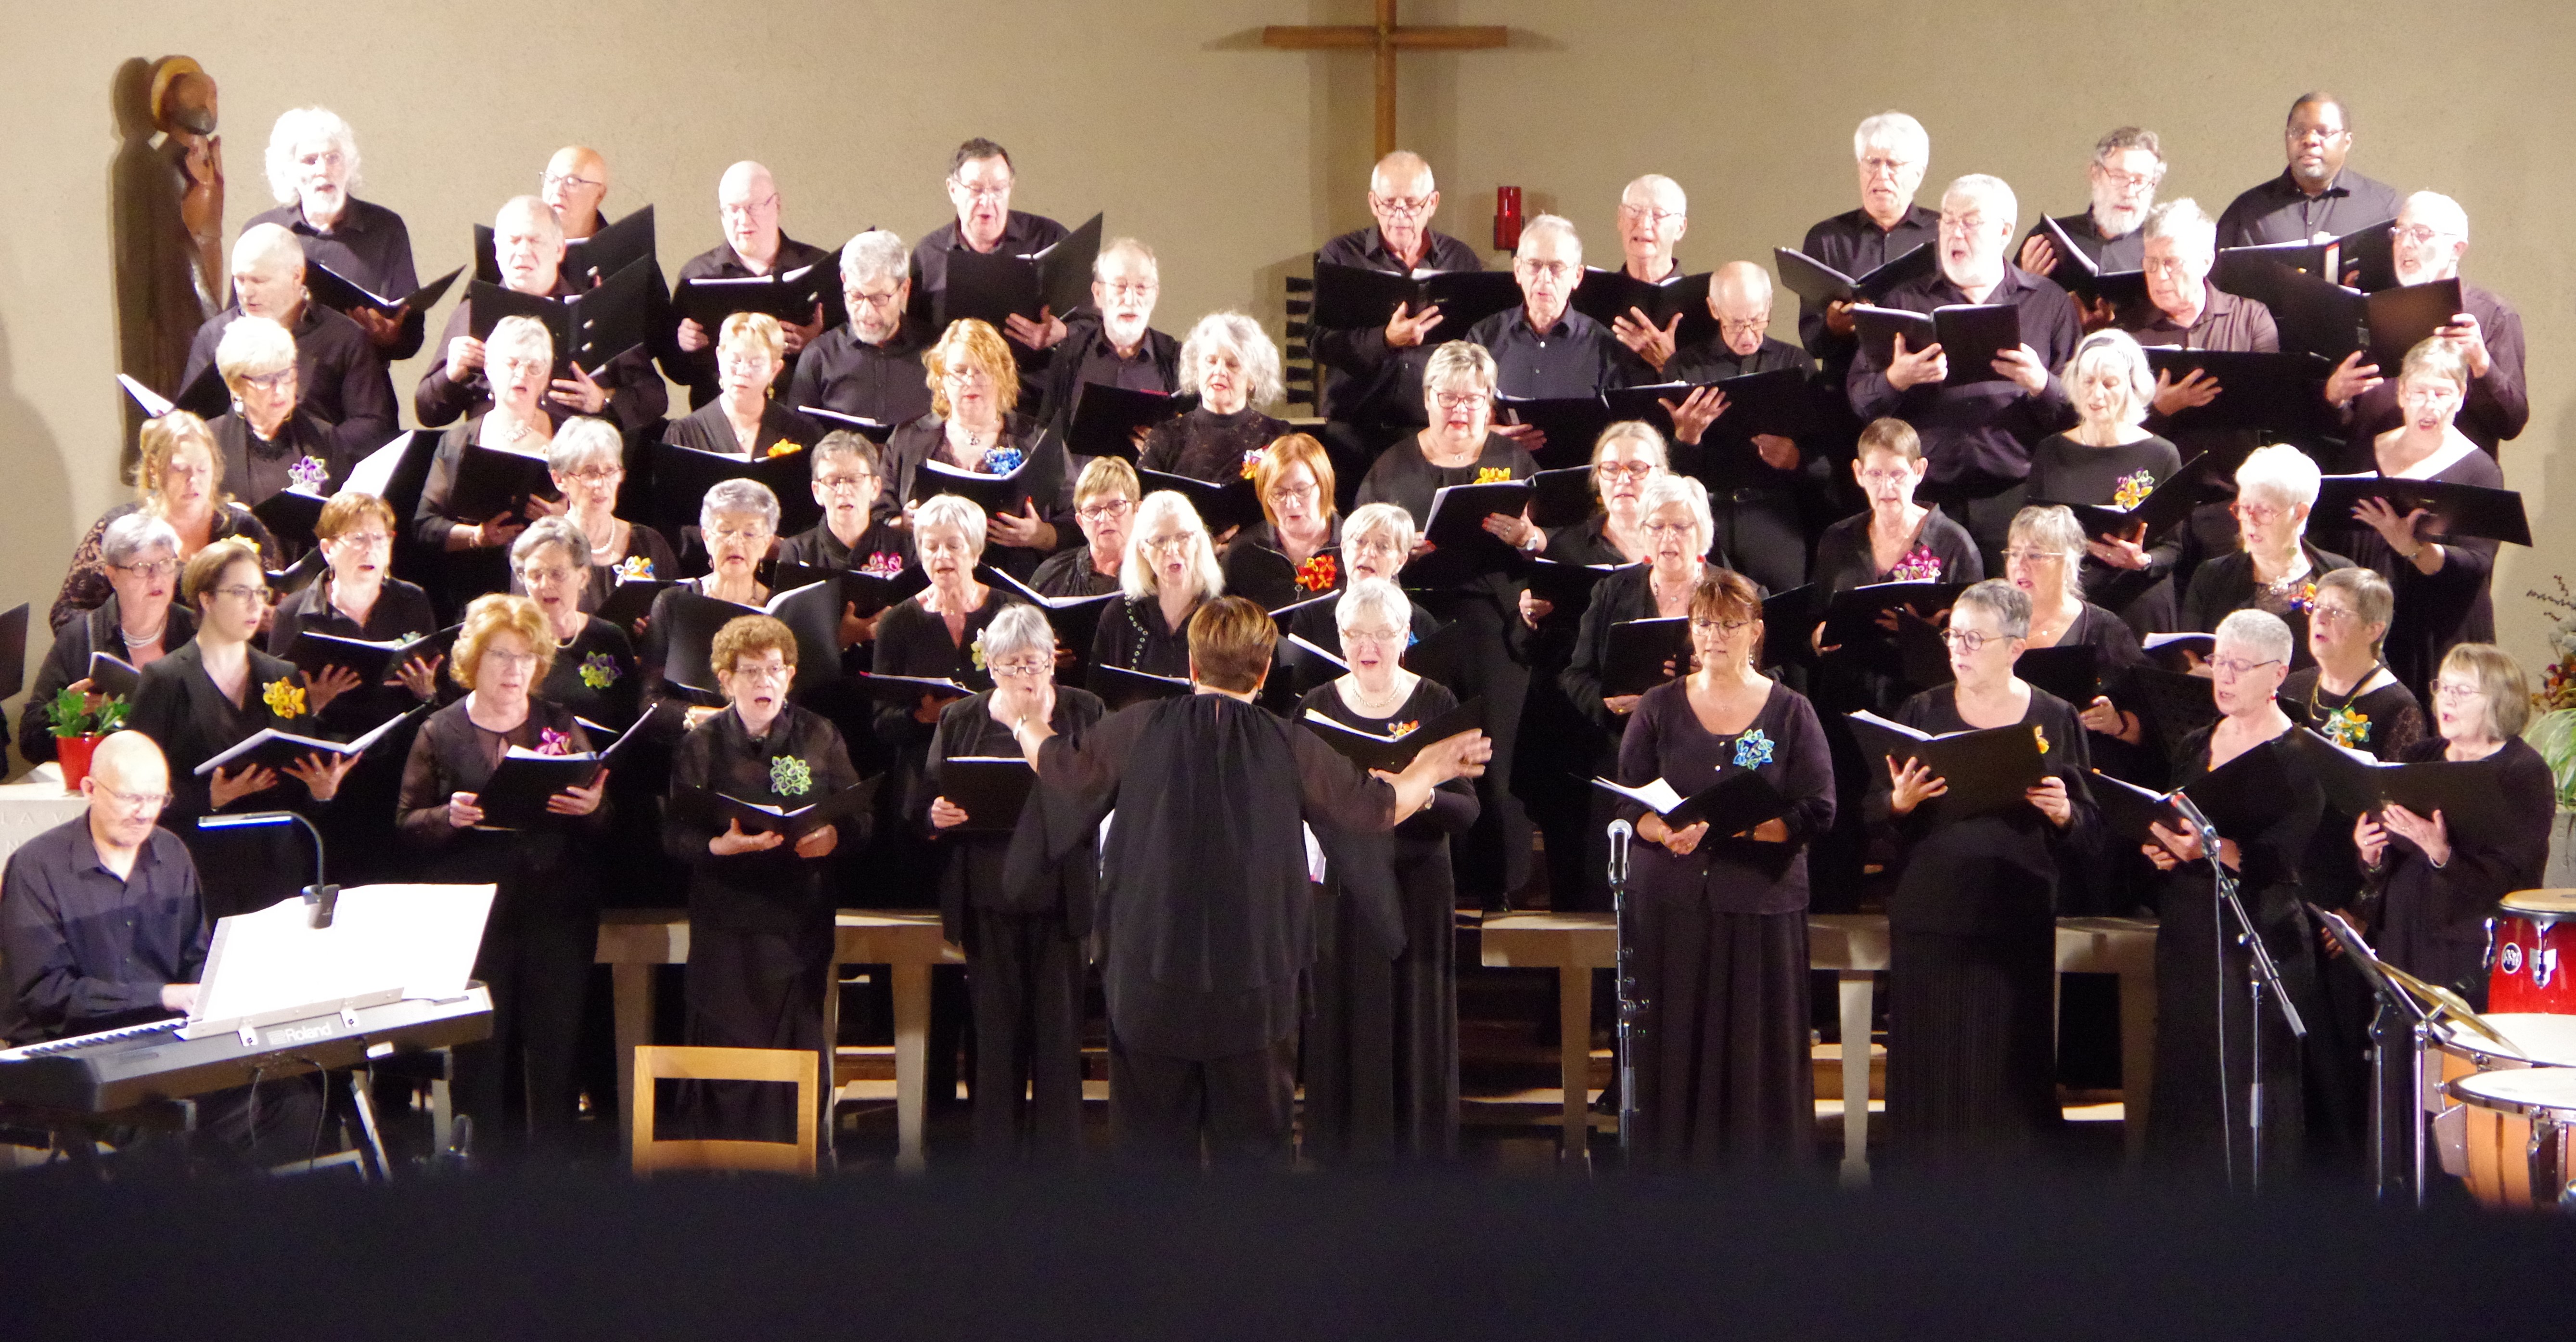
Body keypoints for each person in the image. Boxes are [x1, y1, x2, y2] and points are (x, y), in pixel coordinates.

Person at [1003, 595, 1491, 1166]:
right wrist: (1430, 768)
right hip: (1256, 991)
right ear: (1263, 672)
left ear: (1191, 666)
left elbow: (1059, 767)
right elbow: (1375, 810)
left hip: (1149, 983)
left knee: (1150, 1167)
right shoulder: (1290, 744)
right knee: (1254, 1167)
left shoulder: (1135, 728)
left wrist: (1023, 721)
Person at [0, 732, 320, 1165]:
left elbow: (195, 958)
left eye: (156, 799)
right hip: (73, 1049)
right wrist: (162, 995)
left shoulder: (171, 853)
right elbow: (47, 993)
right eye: (132, 798)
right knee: (169, 1129)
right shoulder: (38, 867)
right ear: (91, 790)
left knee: (290, 1102)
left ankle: (240, 1221)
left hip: (161, 1039)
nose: (144, 813)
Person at [1867, 579, 2094, 1161]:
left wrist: (2066, 813)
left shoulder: (2055, 715)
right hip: (1932, 911)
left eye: (1974, 638)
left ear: (2015, 648)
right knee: (1931, 1063)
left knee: (2006, 1067)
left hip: (2013, 916)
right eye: (1954, 636)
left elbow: (2090, 824)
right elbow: (1874, 813)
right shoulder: (1923, 709)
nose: (1959, 649)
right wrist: (1898, 804)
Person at [1613, 568, 1833, 1164]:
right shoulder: (1658, 707)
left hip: (1758, 903)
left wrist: (1740, 828)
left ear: (1756, 632)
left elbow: (1817, 808)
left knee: (1753, 1047)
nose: (1714, 635)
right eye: (1703, 623)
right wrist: (1663, 829)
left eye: (1728, 624)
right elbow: (1625, 797)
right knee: (1676, 1042)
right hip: (1672, 903)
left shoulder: (1791, 712)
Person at [395, 594, 610, 1160]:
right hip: (475, 915)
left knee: (555, 1048)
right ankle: (482, 1176)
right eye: (500, 656)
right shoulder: (440, 731)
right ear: (473, 661)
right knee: (481, 1052)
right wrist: (449, 816)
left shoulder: (558, 724)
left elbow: (600, 809)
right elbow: (406, 822)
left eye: (525, 657)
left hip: (554, 909)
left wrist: (591, 808)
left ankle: (555, 1181)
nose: (515, 670)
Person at [1297, 579, 1479, 1163]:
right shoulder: (1316, 706)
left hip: (1415, 883)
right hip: (1345, 887)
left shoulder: (1435, 703)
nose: (1367, 645)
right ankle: (1341, 1157)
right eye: (1355, 634)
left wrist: (1418, 794)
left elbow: (1468, 808)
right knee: (1341, 1012)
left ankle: (1418, 1155)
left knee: (1413, 1014)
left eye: (1382, 634)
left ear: (1405, 638)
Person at [1357, 341, 1543, 909]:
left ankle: (1496, 887)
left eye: (1473, 398)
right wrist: (1397, 549)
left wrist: (1528, 539)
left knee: (1493, 757)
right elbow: (1360, 546)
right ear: (1428, 400)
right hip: (1415, 623)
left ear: (1490, 403)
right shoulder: (1393, 465)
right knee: (1425, 751)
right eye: (1448, 398)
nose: (1460, 409)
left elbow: (1547, 541)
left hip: (1495, 623)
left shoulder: (1514, 464)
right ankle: (1427, 882)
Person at [2137, 609, 2322, 1176]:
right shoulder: (2196, 743)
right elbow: (2172, 824)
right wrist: (2163, 850)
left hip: (2258, 934)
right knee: (2186, 1069)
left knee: (2249, 1073)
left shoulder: (2302, 754)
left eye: (2241, 665)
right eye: (2220, 661)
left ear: (2278, 674)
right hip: (2190, 929)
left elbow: (2289, 856)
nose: (2224, 676)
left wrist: (2215, 850)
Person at [665, 613, 862, 1141]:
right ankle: (724, 1166)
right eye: (750, 672)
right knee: (727, 1045)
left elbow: (859, 818)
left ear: (790, 675)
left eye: (775, 670)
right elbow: (672, 835)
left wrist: (834, 838)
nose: (765, 682)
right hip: (726, 920)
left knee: (795, 1042)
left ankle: (795, 1161)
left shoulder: (818, 734)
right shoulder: (701, 744)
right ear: (725, 680)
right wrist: (716, 845)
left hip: (797, 919)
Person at [919, 604, 1106, 1159]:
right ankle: (996, 1164)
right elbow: (929, 798)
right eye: (1011, 665)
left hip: (1060, 893)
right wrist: (938, 816)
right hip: (990, 893)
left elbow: (1104, 791)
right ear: (990, 668)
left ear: (1053, 661)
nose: (1025, 675)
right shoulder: (963, 719)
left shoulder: (1084, 710)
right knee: (995, 1039)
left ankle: (1057, 1168)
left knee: (1057, 1036)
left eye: (1035, 662)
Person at [1849, 173, 2081, 565]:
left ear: (2005, 230)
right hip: (1926, 497)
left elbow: (2080, 412)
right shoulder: (1904, 299)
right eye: (1948, 221)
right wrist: (1896, 379)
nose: (1955, 233)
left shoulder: (2048, 301)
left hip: (2014, 495)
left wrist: (2040, 382)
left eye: (1970, 222)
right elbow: (1859, 399)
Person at [128, 539, 356, 920]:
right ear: (206, 599)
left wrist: (321, 791)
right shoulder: (165, 680)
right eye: (240, 593)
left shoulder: (281, 675)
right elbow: (136, 790)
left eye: (260, 593)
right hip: (199, 867)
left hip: (276, 865)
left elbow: (297, 767)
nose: (257, 605)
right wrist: (209, 797)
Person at [1560, 476, 1731, 912]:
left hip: (1707, 759)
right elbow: (1576, 675)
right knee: (1617, 890)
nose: (1668, 538)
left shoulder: (1733, 595)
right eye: (1656, 527)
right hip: (1627, 754)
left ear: (1703, 533)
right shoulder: (1612, 591)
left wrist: (1713, 677)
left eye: (1681, 527)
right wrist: (1607, 705)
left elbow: (1771, 675)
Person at [2357, 642, 2555, 1005]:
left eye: (2461, 691)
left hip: (2468, 947)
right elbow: (2390, 852)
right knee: (2399, 1055)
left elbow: (2516, 878)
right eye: (2442, 687)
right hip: (2401, 939)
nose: (2445, 700)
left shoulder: (2522, 773)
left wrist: (2441, 854)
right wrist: (2370, 852)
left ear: (2499, 700)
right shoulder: (2419, 755)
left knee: (2453, 1059)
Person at [415, 196, 667, 438]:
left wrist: (604, 399)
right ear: (497, 252)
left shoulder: (600, 308)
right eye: (513, 241)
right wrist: (452, 373)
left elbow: (654, 397)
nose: (523, 251)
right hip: (498, 457)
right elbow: (428, 413)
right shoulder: (471, 312)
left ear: (560, 250)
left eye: (535, 241)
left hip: (578, 462)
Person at [2338, 341, 2508, 699]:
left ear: (2460, 396)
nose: (2429, 404)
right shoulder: (2363, 453)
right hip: (2371, 622)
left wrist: (2411, 549)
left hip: (2438, 631)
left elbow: (2475, 562)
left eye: (2442, 393)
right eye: (2418, 392)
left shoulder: (2480, 471)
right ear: (2401, 394)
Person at [1311, 151, 1487, 481]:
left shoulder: (1459, 259)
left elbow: (1478, 347)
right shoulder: (1341, 256)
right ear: (1373, 203)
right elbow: (1318, 343)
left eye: (1412, 203)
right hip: (1354, 433)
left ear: (1432, 203)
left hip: (1430, 431)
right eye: (1389, 203)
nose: (1400, 214)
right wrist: (1385, 340)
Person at [1660, 261, 1831, 594]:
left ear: (1768, 305)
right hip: (1708, 516)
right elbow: (1669, 471)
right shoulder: (1684, 366)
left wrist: (1795, 458)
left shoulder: (1796, 365)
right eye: (1736, 323)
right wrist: (1687, 438)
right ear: (1713, 309)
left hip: (1775, 517)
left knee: (1781, 617)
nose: (1748, 334)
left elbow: (1825, 464)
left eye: (1757, 320)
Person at [179, 223, 396, 463]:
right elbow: (192, 419)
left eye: (258, 281)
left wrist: (312, 450)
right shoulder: (214, 335)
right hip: (233, 472)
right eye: (240, 280)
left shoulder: (344, 336)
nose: (246, 292)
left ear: (296, 275)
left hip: (316, 475)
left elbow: (372, 423)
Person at [2336, 192, 2528, 455]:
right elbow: (2344, 421)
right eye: (2400, 233)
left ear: (2457, 249)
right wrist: (2335, 396)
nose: (2406, 244)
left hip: (2454, 480)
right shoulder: (2369, 307)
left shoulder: (2493, 315)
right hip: (2374, 473)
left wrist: (2481, 362)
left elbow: (2511, 424)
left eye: (2422, 233)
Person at [881, 319, 1074, 578]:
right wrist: (903, 523)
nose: (970, 381)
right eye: (959, 371)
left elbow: (1078, 517)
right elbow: (876, 516)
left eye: (982, 370)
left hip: (1017, 579)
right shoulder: (909, 438)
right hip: (929, 578)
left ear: (1002, 376)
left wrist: (1041, 536)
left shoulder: (1037, 439)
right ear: (942, 380)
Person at [2023, 329, 2184, 634]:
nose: (2096, 395)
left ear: (2132, 388)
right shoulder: (2051, 451)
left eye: (2110, 384)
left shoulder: (2162, 454)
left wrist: (2143, 560)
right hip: (2071, 603)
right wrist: (2081, 543)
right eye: (2088, 382)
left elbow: (2174, 549)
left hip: (2138, 601)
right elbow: (2030, 533)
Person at [53, 412, 276, 632]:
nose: (193, 480)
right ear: (154, 470)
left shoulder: (244, 528)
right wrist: (130, 634)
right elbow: (66, 614)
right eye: (180, 470)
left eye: (202, 469)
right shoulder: (122, 530)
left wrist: (268, 618)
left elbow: (276, 601)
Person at [411, 315, 562, 611]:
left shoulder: (568, 437)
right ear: (490, 370)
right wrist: (477, 537)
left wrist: (564, 518)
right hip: (476, 588)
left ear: (546, 378)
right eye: (512, 363)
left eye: (535, 367)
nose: (523, 374)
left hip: (549, 586)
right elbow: (425, 526)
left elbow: (597, 512)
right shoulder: (458, 441)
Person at [19, 515, 193, 765]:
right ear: (113, 577)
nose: (157, 577)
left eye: (166, 563)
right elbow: (30, 742)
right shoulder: (81, 638)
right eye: (141, 567)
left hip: (186, 786)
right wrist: (67, 710)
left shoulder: (197, 631)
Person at [269, 491, 442, 740]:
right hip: (325, 749)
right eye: (358, 539)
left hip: (398, 745)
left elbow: (437, 689)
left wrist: (426, 691)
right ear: (328, 549)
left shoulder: (412, 601)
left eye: (380, 538)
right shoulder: (293, 613)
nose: (371, 549)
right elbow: (277, 708)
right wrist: (312, 704)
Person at [246, 106, 420, 354]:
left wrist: (389, 337)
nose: (323, 170)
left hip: (360, 384)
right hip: (279, 382)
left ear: (349, 167)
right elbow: (236, 325)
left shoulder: (385, 228)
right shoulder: (263, 232)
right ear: (289, 171)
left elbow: (411, 337)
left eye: (333, 158)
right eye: (309, 161)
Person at [666, 161, 840, 408]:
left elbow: (851, 357)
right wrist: (685, 347)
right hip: (722, 422)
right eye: (732, 210)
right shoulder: (697, 276)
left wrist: (816, 344)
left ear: (777, 205)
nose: (743, 219)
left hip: (801, 416)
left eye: (753, 207)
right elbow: (678, 373)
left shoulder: (818, 267)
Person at [1465, 215, 1639, 457]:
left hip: (1578, 481)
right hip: (1500, 473)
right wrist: (1487, 436)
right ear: (1518, 270)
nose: (1544, 278)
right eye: (1534, 265)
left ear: (1577, 276)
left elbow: (1623, 432)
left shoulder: (1605, 347)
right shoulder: (1484, 338)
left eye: (1556, 268)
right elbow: (1455, 415)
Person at [2180, 444, 2353, 670]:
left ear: (2300, 513)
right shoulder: (2211, 576)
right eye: (2244, 508)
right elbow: (2186, 658)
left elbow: (2366, 665)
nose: (2249, 520)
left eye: (2264, 511)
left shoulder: (2340, 578)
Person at [1799, 112, 1939, 383]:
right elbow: (1813, 342)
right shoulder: (1827, 238)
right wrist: (1833, 327)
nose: (1881, 175)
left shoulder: (1945, 233)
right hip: (1847, 393)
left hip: (1927, 389)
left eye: (1893, 164)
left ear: (1918, 174)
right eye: (1872, 163)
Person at [910, 138, 1073, 357]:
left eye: (998, 189)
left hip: (1036, 385)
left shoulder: (1049, 238)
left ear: (1010, 188)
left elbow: (1092, 319)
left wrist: (1064, 333)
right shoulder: (928, 255)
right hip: (962, 386)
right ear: (953, 190)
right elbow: (918, 341)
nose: (987, 201)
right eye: (976, 190)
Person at [638, 480, 783, 706]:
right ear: (706, 538)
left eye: (750, 534)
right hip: (693, 734)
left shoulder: (783, 608)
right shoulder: (672, 603)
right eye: (726, 531)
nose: (736, 542)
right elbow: (649, 700)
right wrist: (708, 719)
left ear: (766, 545)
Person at [786, 230, 936, 430]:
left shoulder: (939, 351)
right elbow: (796, 438)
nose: (866, 312)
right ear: (844, 281)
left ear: (904, 290)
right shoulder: (819, 355)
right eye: (856, 296)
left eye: (879, 298)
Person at [2015, 127, 2166, 325]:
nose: (2129, 192)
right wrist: (2028, 282)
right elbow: (2008, 312)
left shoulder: (2162, 245)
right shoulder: (2051, 238)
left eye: (2140, 181)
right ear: (2095, 174)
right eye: (2119, 177)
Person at [2215, 93, 2402, 248]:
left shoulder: (2384, 208)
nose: (2310, 140)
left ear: (2347, 141)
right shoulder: (2247, 211)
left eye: (2323, 132)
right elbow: (2216, 287)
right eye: (2299, 131)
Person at [1035, 238, 1179, 439]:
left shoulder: (1175, 359)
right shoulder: (1071, 353)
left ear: (1155, 294)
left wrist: (1160, 449)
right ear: (1098, 294)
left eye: (1141, 287)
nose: (1131, 299)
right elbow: (1044, 432)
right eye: (1120, 286)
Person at [513, 516, 641, 732]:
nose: (546, 584)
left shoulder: (610, 638)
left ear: (583, 577)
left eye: (557, 574)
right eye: (536, 575)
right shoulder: (512, 640)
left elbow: (631, 718)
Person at [541, 416, 679, 611]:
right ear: (560, 480)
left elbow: (673, 614)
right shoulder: (543, 550)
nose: (601, 484)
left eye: (610, 471)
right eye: (590, 473)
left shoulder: (650, 543)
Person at [1138, 311, 1291, 484]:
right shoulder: (1166, 438)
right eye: (1210, 361)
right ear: (1196, 370)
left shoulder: (1278, 437)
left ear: (1253, 379)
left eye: (1232, 364)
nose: (1219, 371)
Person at [205, 315, 337, 508]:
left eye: (286, 374)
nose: (281, 390)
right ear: (235, 385)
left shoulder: (323, 436)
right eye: (265, 379)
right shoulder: (209, 441)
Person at [1095, 491, 1224, 679]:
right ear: (1143, 550)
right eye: (1160, 541)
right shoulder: (1118, 615)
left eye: (1182, 537)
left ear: (1197, 541)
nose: (1172, 550)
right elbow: (1099, 696)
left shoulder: (1223, 618)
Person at [662, 312, 824, 459]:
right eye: (735, 361)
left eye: (755, 364)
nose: (743, 371)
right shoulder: (684, 434)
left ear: (774, 369)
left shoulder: (803, 432)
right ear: (720, 358)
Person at [773, 429, 915, 581]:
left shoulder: (905, 547)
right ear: (817, 491)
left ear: (875, 487)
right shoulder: (797, 552)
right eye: (833, 481)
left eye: (854, 479)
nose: (843, 491)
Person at [1220, 433, 1340, 611]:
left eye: (1302, 490)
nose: (1291, 503)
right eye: (1278, 493)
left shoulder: (1359, 548)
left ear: (1324, 486)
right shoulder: (1244, 553)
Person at [1600, 174, 1693, 372]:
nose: (1643, 224)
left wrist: (1669, 363)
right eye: (1634, 211)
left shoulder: (1701, 304)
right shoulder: (1598, 297)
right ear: (1620, 219)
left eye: (1658, 215)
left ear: (1680, 228)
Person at [1030, 457, 1139, 599]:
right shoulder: (1052, 575)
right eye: (1093, 510)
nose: (1104, 518)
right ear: (1080, 522)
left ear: (1137, 511)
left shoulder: (1157, 576)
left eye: (1116, 505)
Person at [539, 145, 611, 244]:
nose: (558, 190)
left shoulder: (620, 252)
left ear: (600, 194)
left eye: (571, 182)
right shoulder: (521, 250)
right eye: (552, 179)